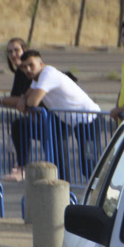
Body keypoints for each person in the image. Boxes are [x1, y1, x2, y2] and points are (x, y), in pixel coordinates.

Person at [17, 49, 103, 178]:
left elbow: (33, 101)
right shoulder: (37, 79)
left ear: (41, 64)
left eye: (31, 65)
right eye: (24, 67)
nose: (27, 70)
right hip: (77, 123)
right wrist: (22, 99)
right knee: (86, 167)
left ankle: (108, 194)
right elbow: (27, 97)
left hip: (90, 120)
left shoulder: (48, 74)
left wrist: (24, 100)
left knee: (89, 166)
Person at [0, 37, 31, 179]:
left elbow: (23, 99)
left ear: (25, 51)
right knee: (20, 126)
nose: (13, 54)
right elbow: (15, 99)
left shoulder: (28, 72)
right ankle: (22, 167)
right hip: (37, 118)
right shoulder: (19, 73)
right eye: (10, 52)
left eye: (17, 50)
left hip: (57, 117)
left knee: (19, 126)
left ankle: (22, 169)